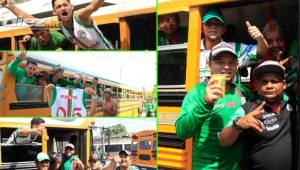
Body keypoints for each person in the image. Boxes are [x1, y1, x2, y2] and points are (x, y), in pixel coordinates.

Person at [175, 42, 253, 169]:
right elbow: (181, 131)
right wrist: (205, 103)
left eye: (231, 63)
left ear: (237, 66)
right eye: (220, 62)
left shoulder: (243, 91)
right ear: (209, 64)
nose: (226, 67)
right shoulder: (198, 92)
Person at [219, 60, 293, 170]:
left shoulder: (292, 104)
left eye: (274, 81)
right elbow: (223, 140)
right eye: (264, 82)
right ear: (256, 86)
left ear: (284, 84)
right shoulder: (246, 109)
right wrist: (238, 124)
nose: (269, 86)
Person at [0, 0, 114, 50]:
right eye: (58, 7)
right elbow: (34, 22)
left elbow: (92, 7)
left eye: (65, 5)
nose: (63, 8)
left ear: (71, 7)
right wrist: (11, 6)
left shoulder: (80, 16)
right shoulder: (57, 22)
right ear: (54, 12)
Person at [199, 9, 269, 82]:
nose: (213, 27)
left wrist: (260, 38)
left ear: (224, 29)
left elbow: (261, 52)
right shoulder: (190, 50)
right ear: (201, 28)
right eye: (208, 24)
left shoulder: (236, 49)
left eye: (217, 24)